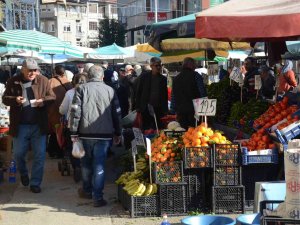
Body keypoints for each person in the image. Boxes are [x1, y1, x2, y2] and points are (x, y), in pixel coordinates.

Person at [69, 65, 121, 207]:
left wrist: (73, 132)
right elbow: (117, 113)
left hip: (85, 133)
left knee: (86, 164)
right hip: (105, 135)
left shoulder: (81, 89)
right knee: (99, 165)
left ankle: (87, 190)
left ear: (88, 76)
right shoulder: (110, 90)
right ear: (102, 77)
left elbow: (75, 112)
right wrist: (118, 132)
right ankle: (97, 197)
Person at [2, 58, 56, 193]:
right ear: (23, 69)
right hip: (20, 125)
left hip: (38, 125)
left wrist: (42, 101)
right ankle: (24, 173)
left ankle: (35, 183)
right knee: (19, 154)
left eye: (35, 70)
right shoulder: (13, 81)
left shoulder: (43, 80)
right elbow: (4, 99)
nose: (32, 73)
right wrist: (15, 100)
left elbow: (52, 97)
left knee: (40, 155)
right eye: (29, 70)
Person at [59, 73, 87, 182]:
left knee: (72, 147)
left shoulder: (70, 93)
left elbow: (62, 110)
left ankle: (77, 167)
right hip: (87, 126)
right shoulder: (90, 92)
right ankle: (86, 167)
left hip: (73, 126)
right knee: (87, 147)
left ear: (73, 82)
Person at [171, 57, 206, 129]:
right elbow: (202, 93)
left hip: (181, 112)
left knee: (184, 134)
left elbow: (173, 96)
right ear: (190, 65)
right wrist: (205, 109)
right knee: (195, 134)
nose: (195, 66)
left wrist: (173, 110)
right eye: (194, 64)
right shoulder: (196, 76)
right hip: (194, 111)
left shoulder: (176, 78)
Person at [135, 57, 168, 130]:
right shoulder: (144, 77)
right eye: (157, 65)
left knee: (158, 128)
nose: (159, 67)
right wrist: (137, 107)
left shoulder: (163, 79)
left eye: (160, 65)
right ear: (151, 66)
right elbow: (139, 92)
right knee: (146, 128)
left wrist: (165, 110)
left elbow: (165, 95)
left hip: (158, 109)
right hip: (146, 108)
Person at [47, 65, 73, 158]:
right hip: (65, 112)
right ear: (64, 72)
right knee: (62, 131)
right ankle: (61, 150)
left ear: (54, 72)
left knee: (54, 132)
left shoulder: (49, 82)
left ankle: (53, 151)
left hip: (53, 111)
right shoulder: (68, 83)